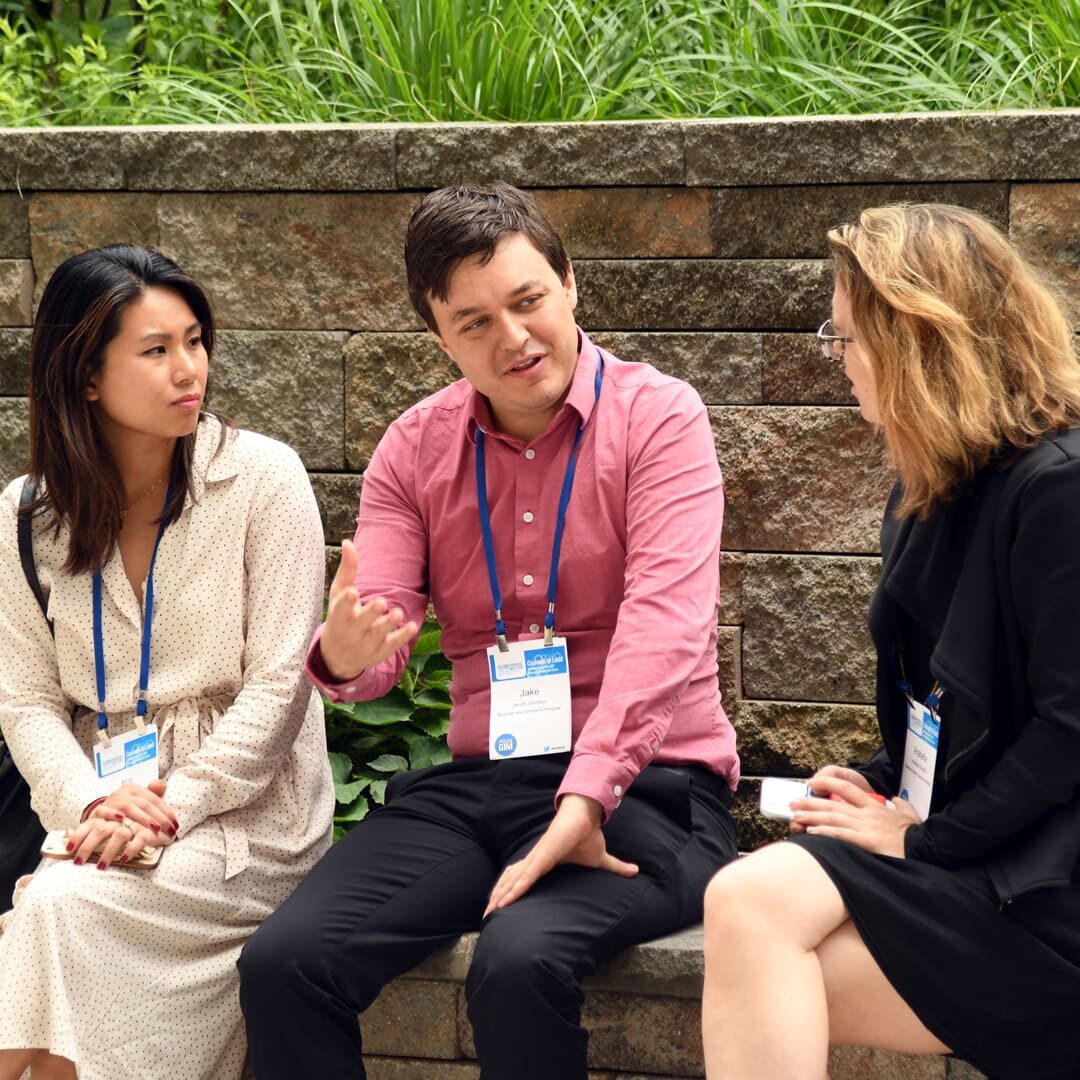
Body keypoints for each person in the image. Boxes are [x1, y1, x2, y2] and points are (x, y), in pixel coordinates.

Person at [239, 182, 740, 1079]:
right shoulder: (414, 447)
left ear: (570, 283)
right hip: (485, 785)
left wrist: (586, 797)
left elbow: (665, 630)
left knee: (519, 961)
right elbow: (375, 634)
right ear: (439, 338)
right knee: (286, 964)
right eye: (474, 323)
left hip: (648, 791)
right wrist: (347, 657)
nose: (511, 339)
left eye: (527, 301)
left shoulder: (661, 420)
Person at [701, 203, 1080, 1080]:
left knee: (749, 908)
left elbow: (1068, 734)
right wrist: (873, 782)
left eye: (844, 339)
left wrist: (912, 841)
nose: (836, 361)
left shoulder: (1058, 490)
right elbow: (951, 705)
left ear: (915, 343)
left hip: (1042, 883)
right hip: (966, 851)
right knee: (761, 954)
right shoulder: (925, 487)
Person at [0, 244, 334, 1080]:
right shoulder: (25, 515)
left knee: (56, 912)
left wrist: (171, 804)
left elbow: (280, 684)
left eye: (194, 340)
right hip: (97, 813)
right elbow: (27, 700)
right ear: (84, 376)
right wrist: (92, 804)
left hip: (249, 818)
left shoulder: (264, 479)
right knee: (51, 910)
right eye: (156, 351)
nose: (190, 370)